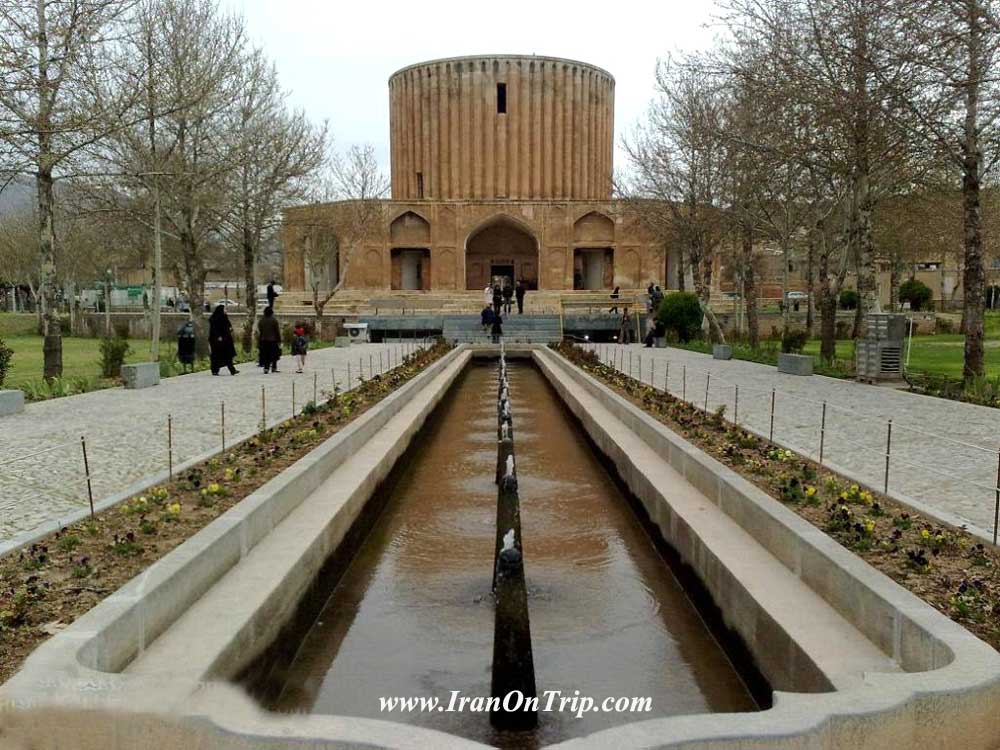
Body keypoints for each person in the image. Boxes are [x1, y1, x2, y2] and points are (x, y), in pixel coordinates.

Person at [208, 304, 239, 376]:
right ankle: (215, 370)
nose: (226, 311)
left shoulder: (224, 317)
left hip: (226, 339)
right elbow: (213, 329)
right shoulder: (214, 318)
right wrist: (218, 336)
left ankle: (232, 370)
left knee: (228, 355)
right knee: (217, 356)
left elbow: (229, 325)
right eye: (225, 309)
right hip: (217, 341)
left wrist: (230, 329)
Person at [257, 306, 282, 374]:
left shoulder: (261, 320)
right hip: (273, 340)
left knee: (266, 354)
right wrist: (279, 340)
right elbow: (277, 331)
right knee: (274, 354)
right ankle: (274, 367)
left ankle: (266, 368)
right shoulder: (274, 320)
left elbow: (260, 330)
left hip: (264, 340)